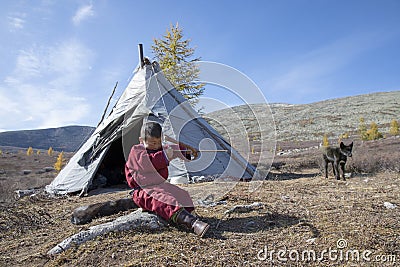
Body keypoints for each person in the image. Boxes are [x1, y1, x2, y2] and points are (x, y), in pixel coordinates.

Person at [125, 121, 209, 237]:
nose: (157, 146)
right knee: (165, 200)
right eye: (153, 143)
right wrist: (165, 156)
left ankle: (192, 216)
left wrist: (186, 151)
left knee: (182, 194)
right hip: (143, 190)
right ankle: (191, 223)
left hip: (161, 185)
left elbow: (175, 149)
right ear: (141, 140)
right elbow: (148, 162)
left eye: (159, 142)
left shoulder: (161, 149)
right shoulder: (137, 151)